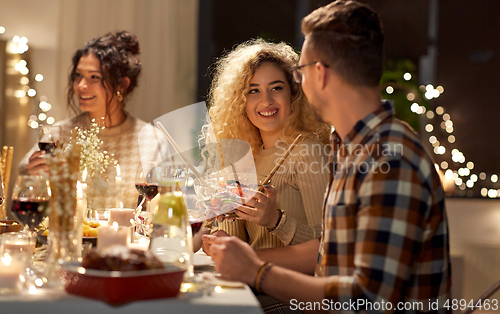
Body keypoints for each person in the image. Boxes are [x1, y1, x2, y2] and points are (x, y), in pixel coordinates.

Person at [202, 0, 451, 313]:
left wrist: (257, 272)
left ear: (319, 74)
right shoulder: (347, 149)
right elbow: (327, 262)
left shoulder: (388, 157)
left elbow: (367, 300)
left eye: (299, 72)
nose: (299, 84)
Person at [196, 39, 331, 253]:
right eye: (254, 91)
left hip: (287, 284)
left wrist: (276, 221)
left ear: (294, 93)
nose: (266, 100)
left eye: (276, 88)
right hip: (250, 282)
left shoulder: (307, 152)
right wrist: (221, 234)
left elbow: (329, 245)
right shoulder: (243, 157)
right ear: (240, 102)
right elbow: (243, 246)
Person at [19, 31, 164, 209]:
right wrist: (34, 179)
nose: (81, 85)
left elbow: (166, 210)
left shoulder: (151, 140)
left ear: (122, 85)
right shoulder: (59, 134)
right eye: (78, 75)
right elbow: (23, 198)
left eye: (94, 77)